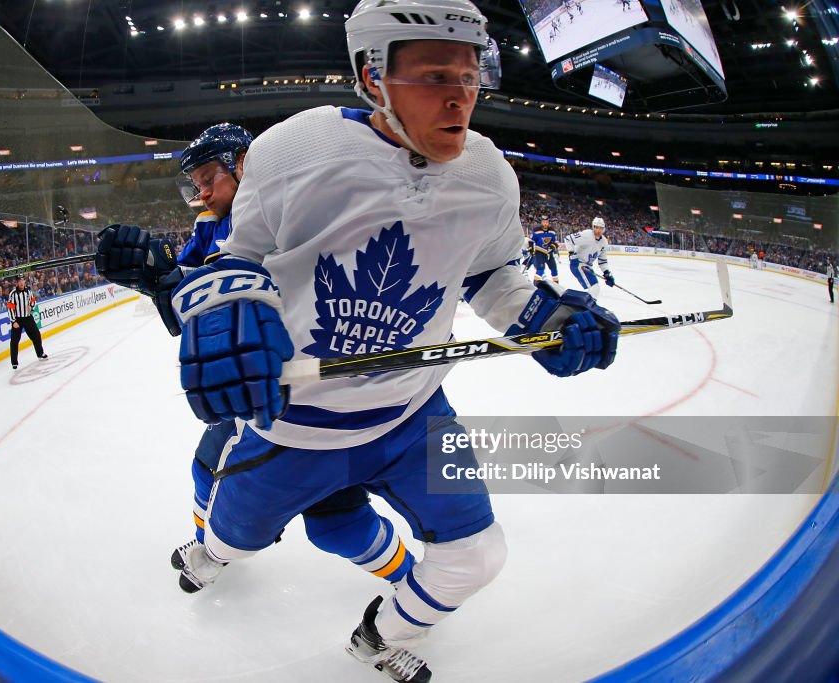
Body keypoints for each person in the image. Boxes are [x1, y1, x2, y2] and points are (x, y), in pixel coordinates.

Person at [168, 2, 620, 680]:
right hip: (295, 428)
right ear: (371, 75)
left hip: (414, 417)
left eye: (470, 76)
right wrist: (226, 304)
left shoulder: (490, 175)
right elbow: (238, 258)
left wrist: (544, 320)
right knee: (233, 540)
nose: (459, 96)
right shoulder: (296, 149)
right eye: (436, 74)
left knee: (478, 555)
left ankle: (376, 634)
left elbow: (495, 276)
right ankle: (209, 557)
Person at [94, 124, 415, 591]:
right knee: (332, 514)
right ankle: (412, 585)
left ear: (242, 164)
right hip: (277, 381)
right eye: (196, 183)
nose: (202, 192)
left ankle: (213, 551)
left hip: (303, 385)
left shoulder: (294, 210)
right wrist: (156, 275)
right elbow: (197, 290)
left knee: (256, 481)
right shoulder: (211, 224)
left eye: (209, 178)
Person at [566, 216, 615, 296]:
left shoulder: (604, 242)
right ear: (593, 227)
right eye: (596, 227)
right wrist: (572, 254)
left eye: (601, 228)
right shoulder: (587, 234)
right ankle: (588, 306)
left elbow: (602, 260)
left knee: (595, 288)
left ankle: (586, 304)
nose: (598, 230)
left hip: (587, 267)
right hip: (578, 264)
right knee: (594, 287)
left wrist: (606, 273)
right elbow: (568, 239)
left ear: (604, 229)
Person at [5, 277, 47, 370]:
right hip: (18, 320)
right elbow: (10, 308)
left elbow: (33, 301)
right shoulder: (13, 293)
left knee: (36, 335)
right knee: (14, 341)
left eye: (22, 281)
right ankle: (14, 362)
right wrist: (13, 321)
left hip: (28, 318)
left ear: (24, 282)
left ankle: (40, 353)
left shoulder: (28, 291)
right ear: (17, 283)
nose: (21, 283)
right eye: (19, 281)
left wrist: (31, 307)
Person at [530, 216, 560, 283]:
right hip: (540, 253)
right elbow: (531, 241)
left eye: (546, 222)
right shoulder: (536, 230)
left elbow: (555, 242)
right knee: (540, 270)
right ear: (541, 223)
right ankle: (536, 285)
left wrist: (552, 247)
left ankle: (556, 285)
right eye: (544, 222)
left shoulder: (552, 231)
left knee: (554, 269)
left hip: (549, 253)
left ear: (548, 223)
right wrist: (531, 250)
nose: (545, 224)